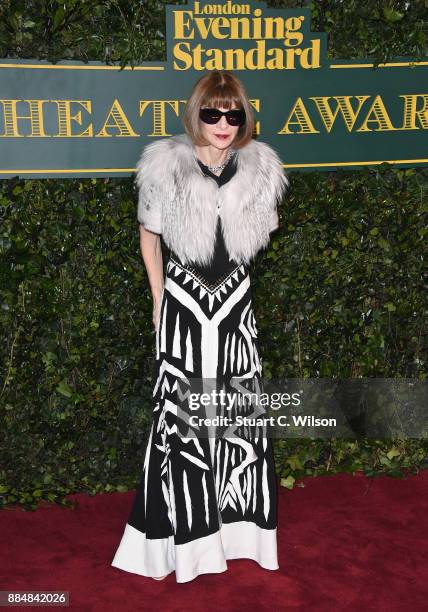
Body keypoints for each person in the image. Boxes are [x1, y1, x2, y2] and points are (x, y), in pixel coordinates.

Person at [111, 69, 290, 584]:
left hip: (235, 308)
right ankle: (185, 544)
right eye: (213, 113)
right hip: (184, 308)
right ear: (197, 113)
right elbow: (150, 240)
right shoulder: (165, 167)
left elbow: (257, 241)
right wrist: (158, 300)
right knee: (183, 422)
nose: (224, 123)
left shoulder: (260, 170)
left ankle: (239, 537)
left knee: (238, 419)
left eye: (233, 114)